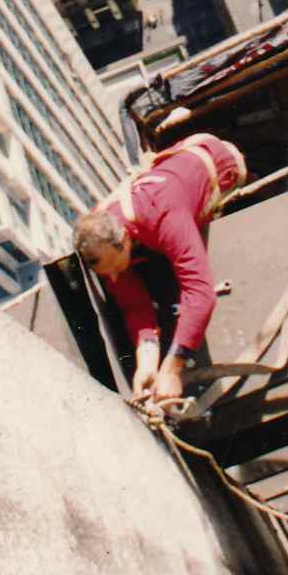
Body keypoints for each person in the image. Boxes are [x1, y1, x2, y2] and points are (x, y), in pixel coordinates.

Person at [73, 129, 247, 412]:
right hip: (171, 178)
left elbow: (200, 293)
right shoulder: (102, 239)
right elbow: (133, 305)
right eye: (109, 275)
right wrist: (147, 360)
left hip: (220, 162)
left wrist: (172, 369)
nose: (115, 279)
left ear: (126, 240)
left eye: (117, 269)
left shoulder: (163, 212)